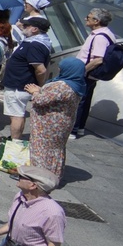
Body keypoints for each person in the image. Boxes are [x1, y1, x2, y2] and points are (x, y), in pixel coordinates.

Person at [24, 59, 87, 187]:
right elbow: (55, 98)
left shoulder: (62, 86)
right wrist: (41, 89)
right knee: (56, 150)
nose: (59, 69)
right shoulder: (77, 84)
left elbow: (41, 100)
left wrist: (34, 91)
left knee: (41, 149)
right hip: (63, 123)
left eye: (61, 68)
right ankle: (54, 175)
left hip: (49, 125)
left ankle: (40, 178)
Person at [0, 16, 52, 151]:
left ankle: (14, 145)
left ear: (35, 29)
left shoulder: (35, 45)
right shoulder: (35, 40)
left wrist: (39, 85)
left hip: (20, 85)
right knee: (16, 114)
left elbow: (41, 69)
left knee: (16, 115)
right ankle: (14, 138)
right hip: (18, 84)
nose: (23, 27)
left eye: (27, 26)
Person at [72, 8, 117, 138]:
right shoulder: (104, 33)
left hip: (86, 75)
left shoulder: (100, 37)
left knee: (79, 102)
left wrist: (81, 71)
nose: (86, 19)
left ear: (96, 21)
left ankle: (73, 130)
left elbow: (98, 59)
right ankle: (79, 128)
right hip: (89, 76)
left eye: (89, 17)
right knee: (85, 101)